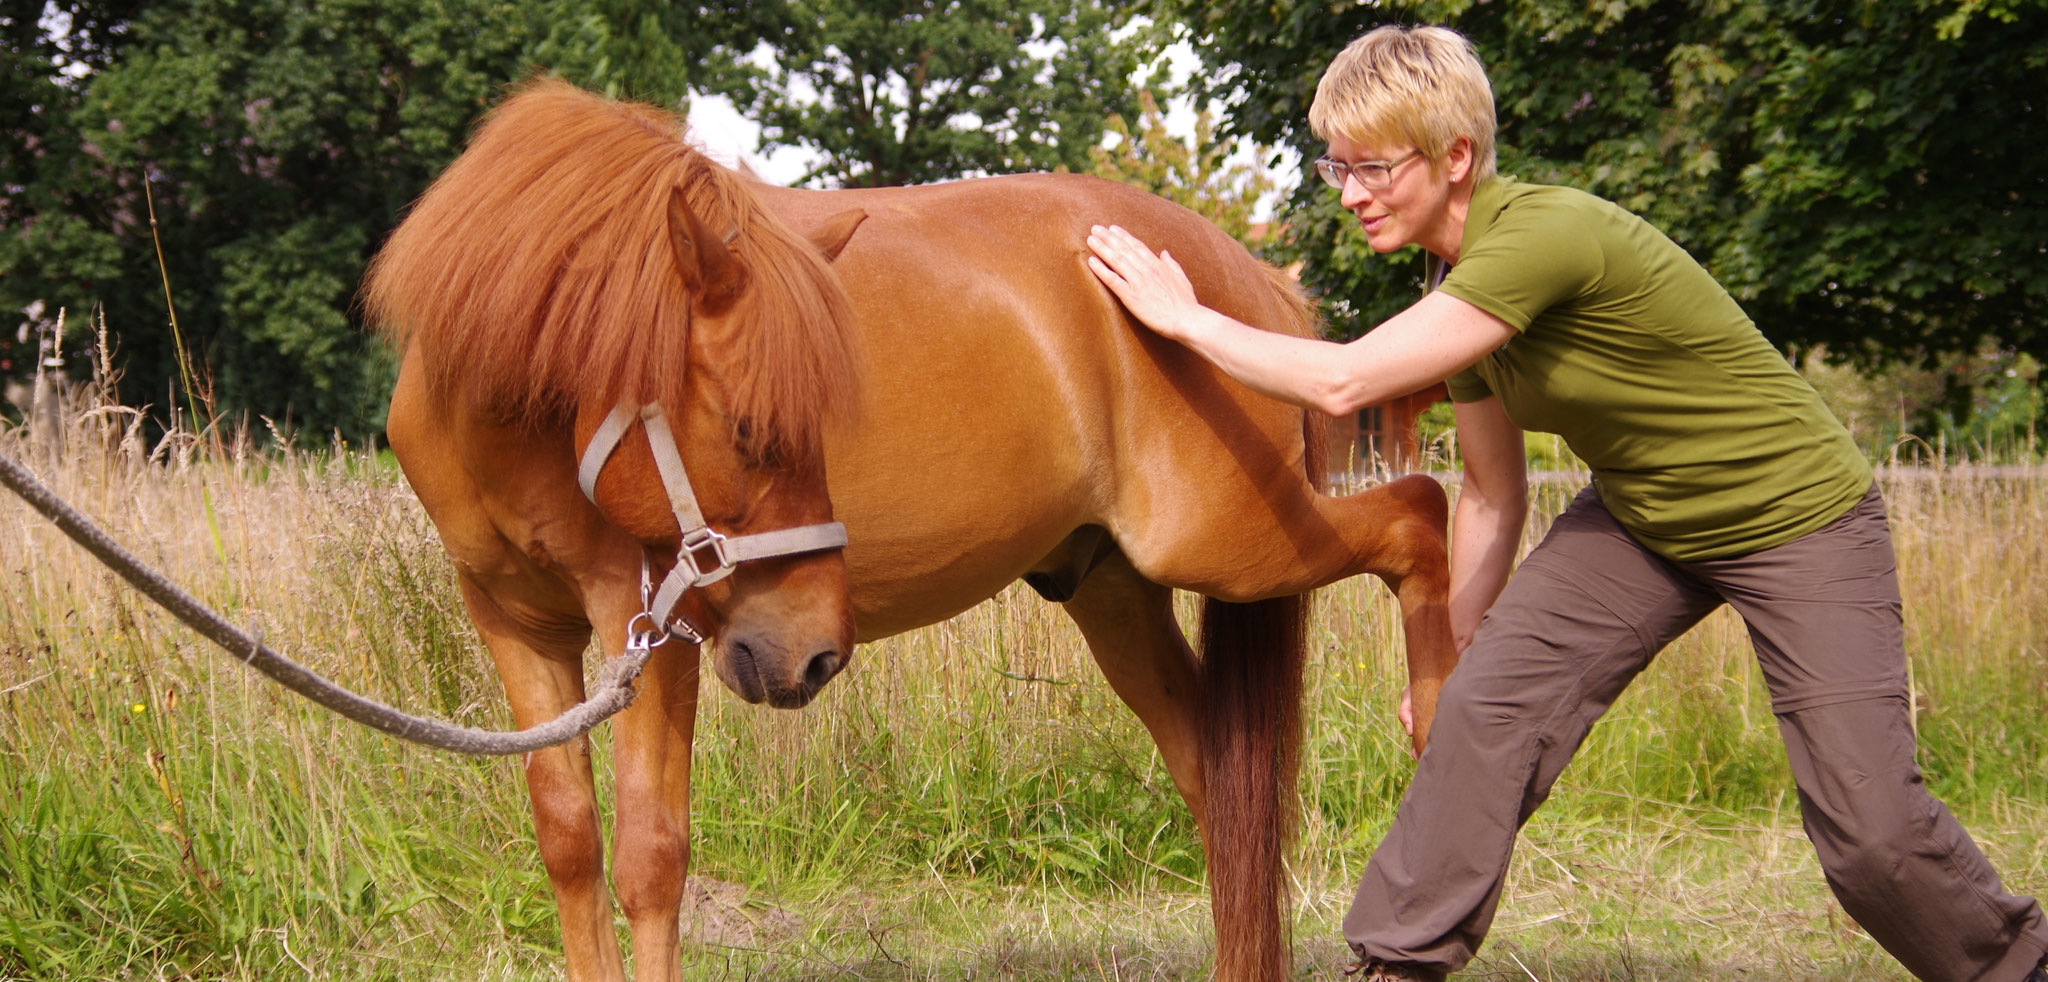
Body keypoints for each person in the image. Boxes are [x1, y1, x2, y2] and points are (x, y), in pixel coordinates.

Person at [1084, 23, 2048, 982]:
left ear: (1457, 155)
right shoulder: (1452, 277)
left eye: (1373, 167)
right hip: (1643, 519)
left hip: (1797, 516)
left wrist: (1187, 319)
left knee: (1872, 836)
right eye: (1336, 166)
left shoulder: (1541, 237)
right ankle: (1397, 965)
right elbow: (1494, 491)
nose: (1350, 194)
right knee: (1483, 714)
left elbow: (1345, 382)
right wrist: (1453, 656)